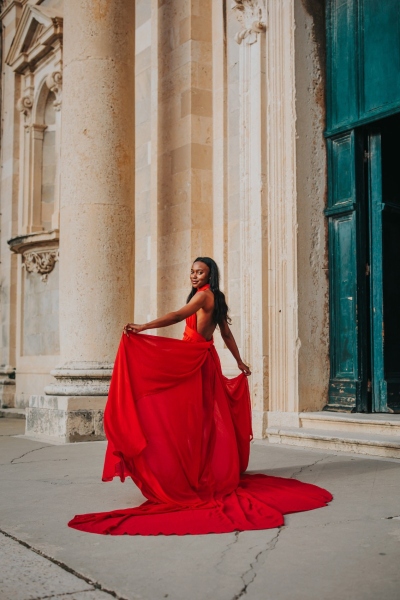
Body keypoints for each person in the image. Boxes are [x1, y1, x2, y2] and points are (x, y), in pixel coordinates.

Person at [68, 257, 332, 536]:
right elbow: (226, 334)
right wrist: (240, 361)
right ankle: (194, 469)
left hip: (193, 361)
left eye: (200, 271)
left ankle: (187, 473)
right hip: (199, 359)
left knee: (186, 417)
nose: (194, 276)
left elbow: (178, 317)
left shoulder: (204, 296)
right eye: (192, 271)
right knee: (197, 418)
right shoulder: (213, 297)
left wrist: (144, 327)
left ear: (210, 274)